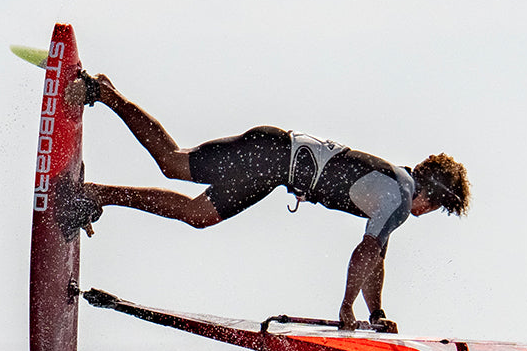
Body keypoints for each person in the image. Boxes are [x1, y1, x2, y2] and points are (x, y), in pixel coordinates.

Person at [65, 71, 470, 332]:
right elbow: (366, 253)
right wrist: (347, 307)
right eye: (436, 208)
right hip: (271, 159)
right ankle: (104, 98)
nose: (427, 214)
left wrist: (377, 314)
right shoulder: (398, 199)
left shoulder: (395, 186)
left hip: (272, 157)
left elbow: (376, 257)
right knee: (179, 177)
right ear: (432, 195)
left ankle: (98, 186)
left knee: (187, 193)